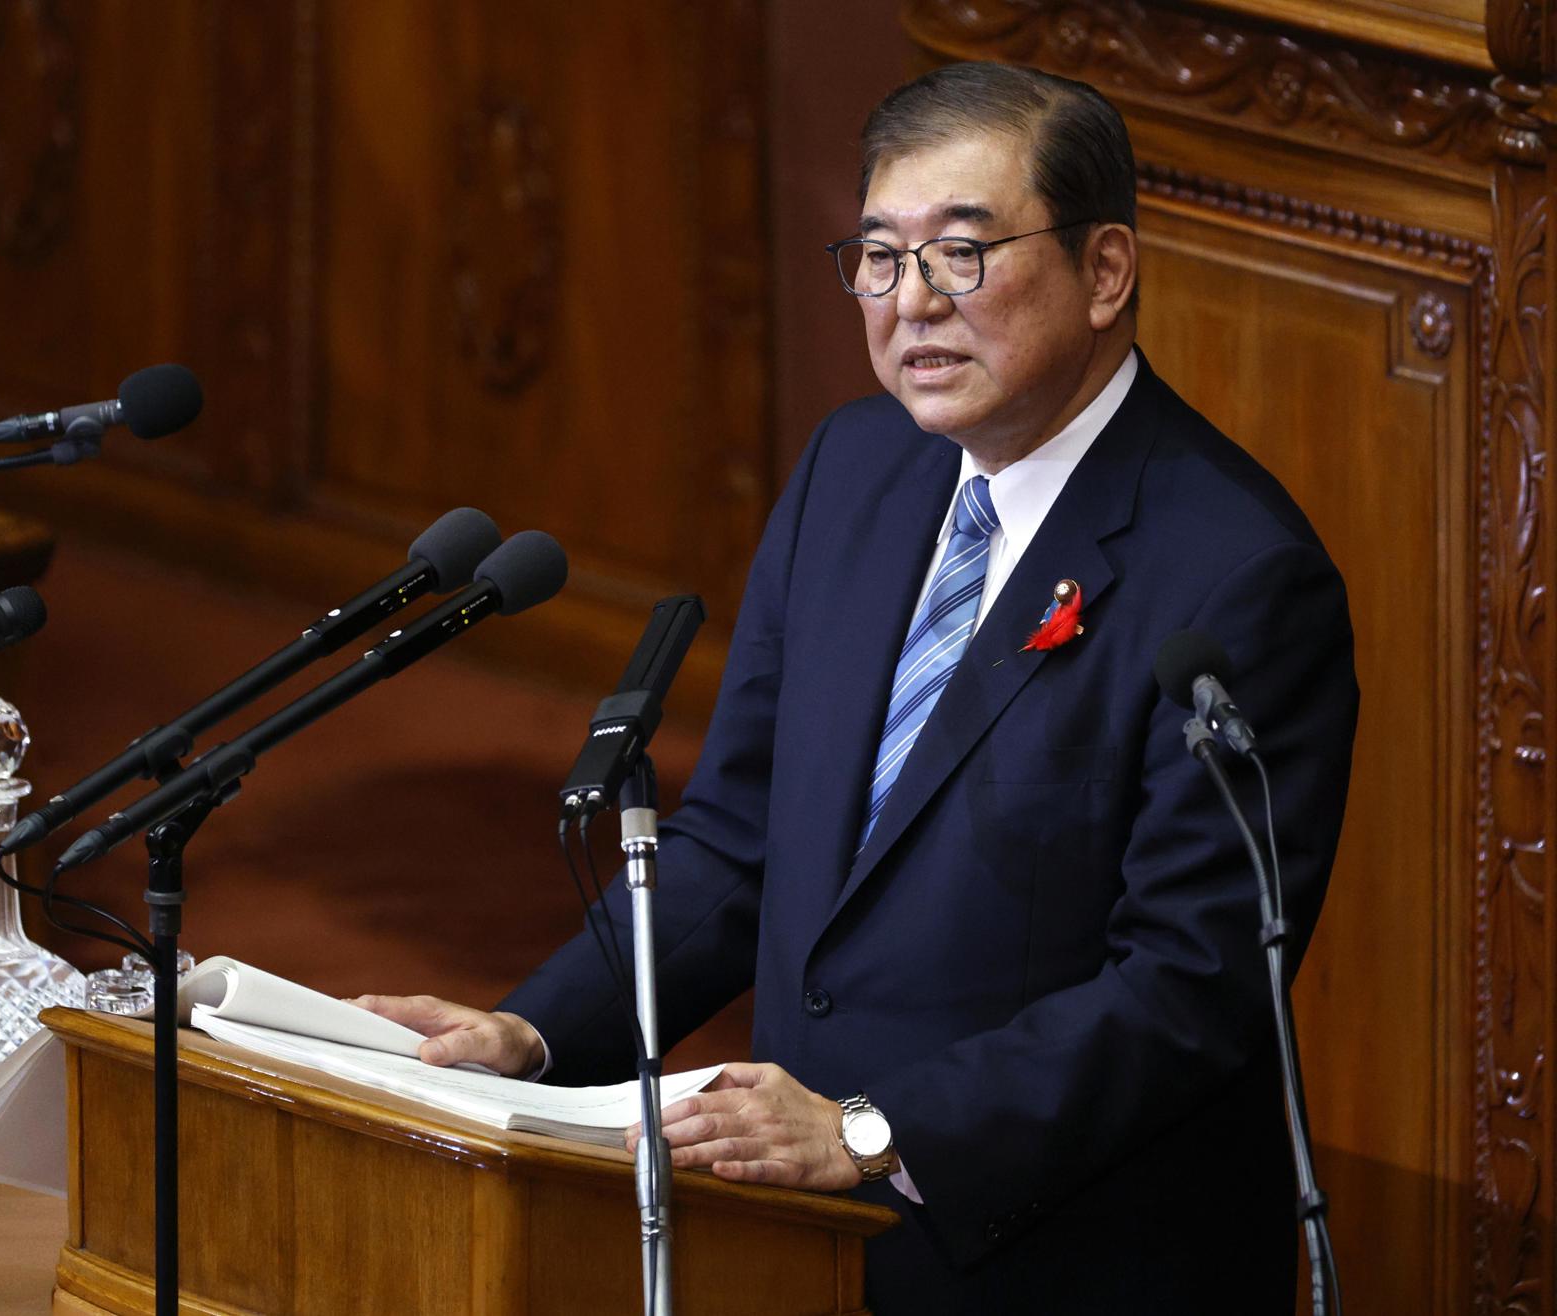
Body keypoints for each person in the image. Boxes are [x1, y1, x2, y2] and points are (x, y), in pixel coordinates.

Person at [355, 61, 1356, 1314]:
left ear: (1108, 272)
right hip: (799, 1237)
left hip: (1062, 1256)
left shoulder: (1240, 575)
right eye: (880, 257)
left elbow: (1186, 988)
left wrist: (877, 1132)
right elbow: (737, 837)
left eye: (962, 254)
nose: (911, 302)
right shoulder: (855, 468)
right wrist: (535, 1037)